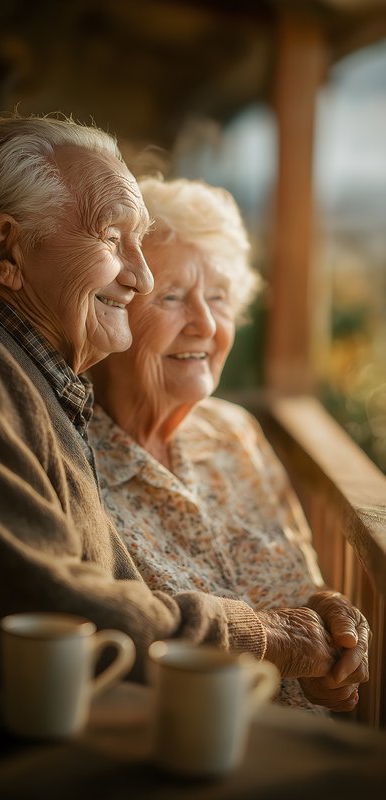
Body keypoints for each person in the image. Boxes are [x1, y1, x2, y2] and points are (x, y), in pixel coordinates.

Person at [89, 175, 370, 712]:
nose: (205, 324)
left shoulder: (235, 432)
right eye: (172, 297)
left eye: (219, 297)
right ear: (112, 311)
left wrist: (334, 624)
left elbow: (301, 587)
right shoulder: (75, 461)